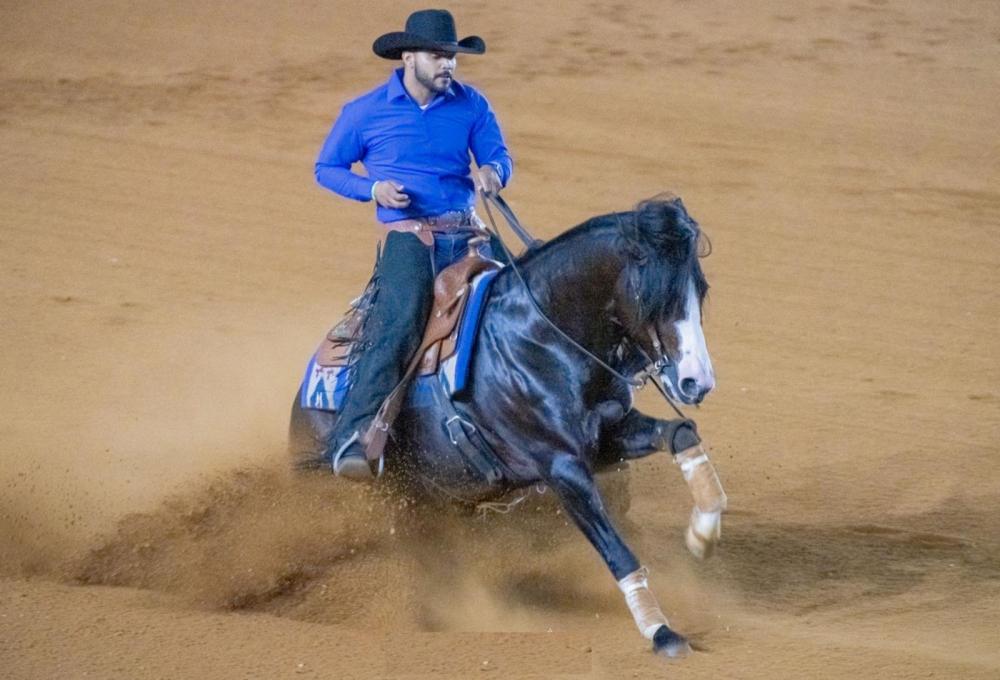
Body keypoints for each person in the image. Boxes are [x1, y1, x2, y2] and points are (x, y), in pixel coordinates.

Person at [314, 9, 513, 481]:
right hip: (412, 238)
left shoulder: (472, 105)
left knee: (526, 299)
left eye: (452, 57)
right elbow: (327, 168)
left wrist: (493, 173)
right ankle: (355, 438)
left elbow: (498, 156)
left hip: (468, 232)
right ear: (408, 57)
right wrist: (373, 190)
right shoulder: (364, 112)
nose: (448, 65)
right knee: (400, 318)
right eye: (438, 56)